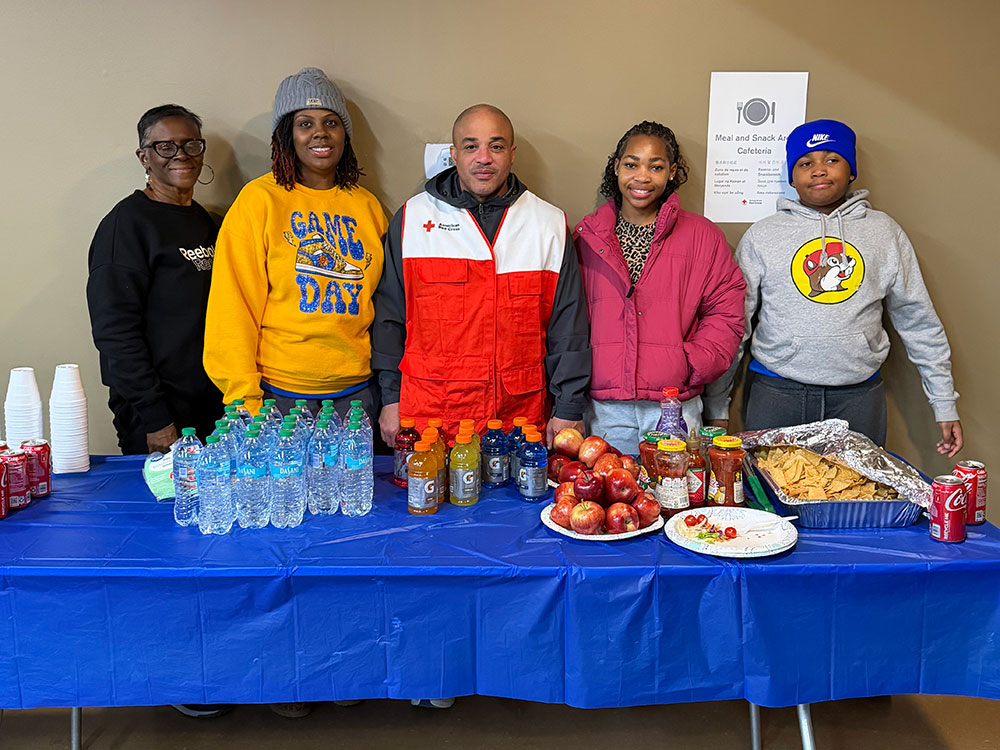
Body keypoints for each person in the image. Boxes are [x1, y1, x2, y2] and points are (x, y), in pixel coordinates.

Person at [707, 119, 962, 455]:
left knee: (857, 502)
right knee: (773, 505)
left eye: (832, 159)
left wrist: (943, 401)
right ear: (792, 177)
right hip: (777, 393)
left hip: (858, 398)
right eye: (805, 163)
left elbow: (917, 319)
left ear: (851, 170)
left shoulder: (884, 233)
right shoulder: (763, 235)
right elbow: (733, 325)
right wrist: (717, 405)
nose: (819, 171)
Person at [372, 104, 591, 448]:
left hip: (520, 420)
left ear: (512, 154)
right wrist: (389, 398)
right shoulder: (412, 220)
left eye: (497, 146)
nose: (484, 158)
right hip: (429, 418)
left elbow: (569, 328)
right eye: (471, 146)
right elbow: (389, 320)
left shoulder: (548, 225)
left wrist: (569, 404)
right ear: (454, 155)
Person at [204, 67, 387, 427]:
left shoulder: (367, 206)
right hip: (279, 396)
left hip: (359, 394)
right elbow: (233, 305)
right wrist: (243, 396)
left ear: (344, 135)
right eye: (305, 123)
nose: (320, 132)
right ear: (286, 135)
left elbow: (385, 306)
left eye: (331, 122)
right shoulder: (259, 201)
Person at [573, 121, 745, 452]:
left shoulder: (702, 236)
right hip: (605, 412)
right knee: (605, 501)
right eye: (631, 164)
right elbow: (566, 320)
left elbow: (726, 312)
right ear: (616, 167)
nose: (642, 177)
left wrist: (688, 363)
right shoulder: (586, 237)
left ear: (672, 172)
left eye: (656, 166)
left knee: (678, 501)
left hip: (675, 409)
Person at [87, 104, 223, 456]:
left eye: (191, 144)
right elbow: (115, 333)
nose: (181, 155)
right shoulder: (127, 225)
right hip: (159, 415)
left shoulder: (207, 223)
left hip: (213, 408)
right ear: (143, 157)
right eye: (165, 146)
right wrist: (155, 418)